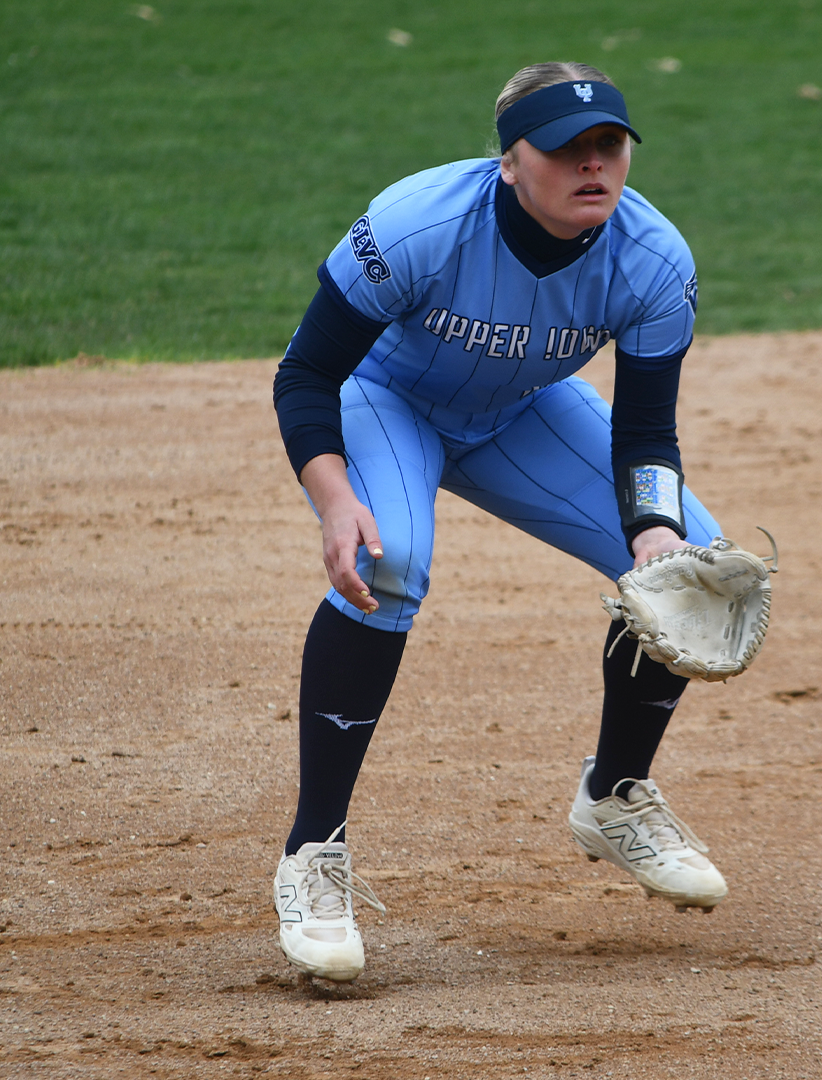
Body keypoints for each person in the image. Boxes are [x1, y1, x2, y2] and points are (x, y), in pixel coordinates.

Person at [269, 61, 731, 982]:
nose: (593, 166)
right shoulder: (420, 223)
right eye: (567, 150)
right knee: (389, 564)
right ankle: (312, 855)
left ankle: (615, 798)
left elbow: (645, 430)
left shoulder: (652, 258)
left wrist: (653, 532)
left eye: (610, 147)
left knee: (695, 575)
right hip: (386, 402)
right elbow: (307, 374)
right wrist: (333, 500)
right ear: (512, 161)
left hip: (518, 412)